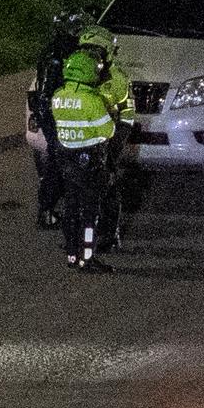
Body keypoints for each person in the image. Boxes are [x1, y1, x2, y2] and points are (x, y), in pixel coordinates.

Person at [48, 40, 124, 272]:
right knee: (90, 212)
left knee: (71, 208)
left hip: (66, 158)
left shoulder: (58, 96)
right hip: (89, 161)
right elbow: (108, 131)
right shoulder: (91, 100)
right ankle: (88, 258)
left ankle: (72, 255)